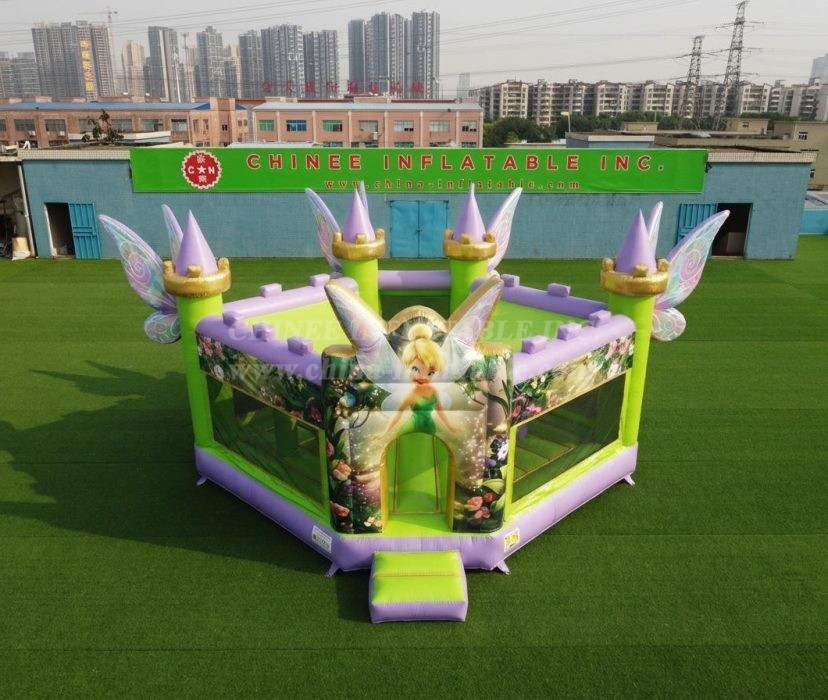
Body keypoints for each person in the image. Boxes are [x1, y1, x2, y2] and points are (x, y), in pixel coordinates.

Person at [384, 323, 456, 436]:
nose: (423, 377)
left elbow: (440, 411)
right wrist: (384, 432)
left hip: (430, 428)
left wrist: (451, 427)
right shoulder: (411, 393)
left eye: (430, 373)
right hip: (413, 430)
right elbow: (398, 414)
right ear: (407, 366)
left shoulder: (433, 390)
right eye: (415, 369)